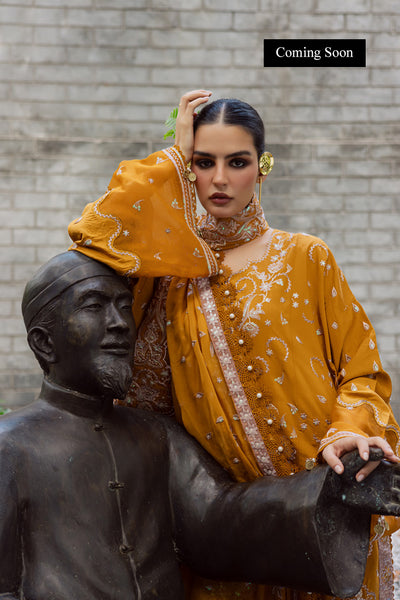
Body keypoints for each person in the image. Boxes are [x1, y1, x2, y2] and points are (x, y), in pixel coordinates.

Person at [68, 90, 400, 600]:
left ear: (262, 168)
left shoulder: (306, 257)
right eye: (204, 162)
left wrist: (348, 431)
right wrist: (173, 158)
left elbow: (361, 372)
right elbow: (93, 235)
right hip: (229, 531)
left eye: (237, 162)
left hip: (327, 504)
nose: (219, 179)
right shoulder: (164, 275)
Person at [2, 250, 399, 600]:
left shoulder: (156, 436)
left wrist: (334, 489)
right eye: (94, 306)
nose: (120, 322)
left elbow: (220, 520)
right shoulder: (10, 447)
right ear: (44, 343)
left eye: (124, 306)